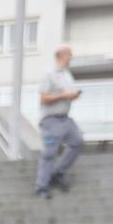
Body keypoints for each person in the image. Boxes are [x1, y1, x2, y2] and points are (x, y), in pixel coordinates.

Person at [35, 45, 84, 199]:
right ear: (61, 55)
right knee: (50, 153)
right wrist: (63, 96)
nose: (71, 57)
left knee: (77, 142)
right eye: (69, 54)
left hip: (65, 118)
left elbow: (67, 94)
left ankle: (58, 173)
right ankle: (41, 187)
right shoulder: (49, 74)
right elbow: (43, 98)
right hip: (51, 120)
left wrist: (73, 96)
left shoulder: (67, 75)